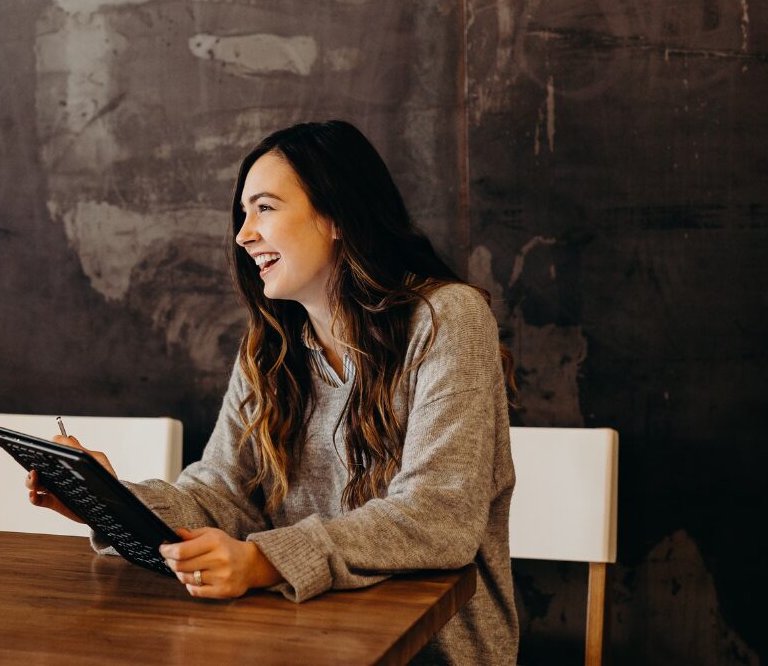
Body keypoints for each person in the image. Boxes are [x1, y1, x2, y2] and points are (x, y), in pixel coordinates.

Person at [25, 120, 518, 665]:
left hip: (428, 653)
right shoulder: (270, 349)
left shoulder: (447, 320)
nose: (243, 234)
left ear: (335, 216)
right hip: (298, 643)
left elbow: (438, 516)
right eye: (243, 214)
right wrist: (108, 500)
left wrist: (265, 561)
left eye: (264, 208)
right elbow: (221, 498)